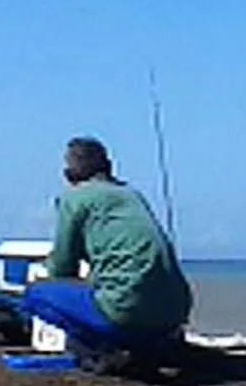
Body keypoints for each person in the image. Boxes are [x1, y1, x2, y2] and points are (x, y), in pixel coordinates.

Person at [23, 137, 193, 372]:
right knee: (109, 296)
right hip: (176, 311)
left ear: (69, 174)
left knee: (35, 295)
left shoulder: (74, 198)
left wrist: (48, 267)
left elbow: (63, 267)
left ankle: (97, 353)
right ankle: (149, 345)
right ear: (108, 166)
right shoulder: (131, 195)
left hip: (125, 312)